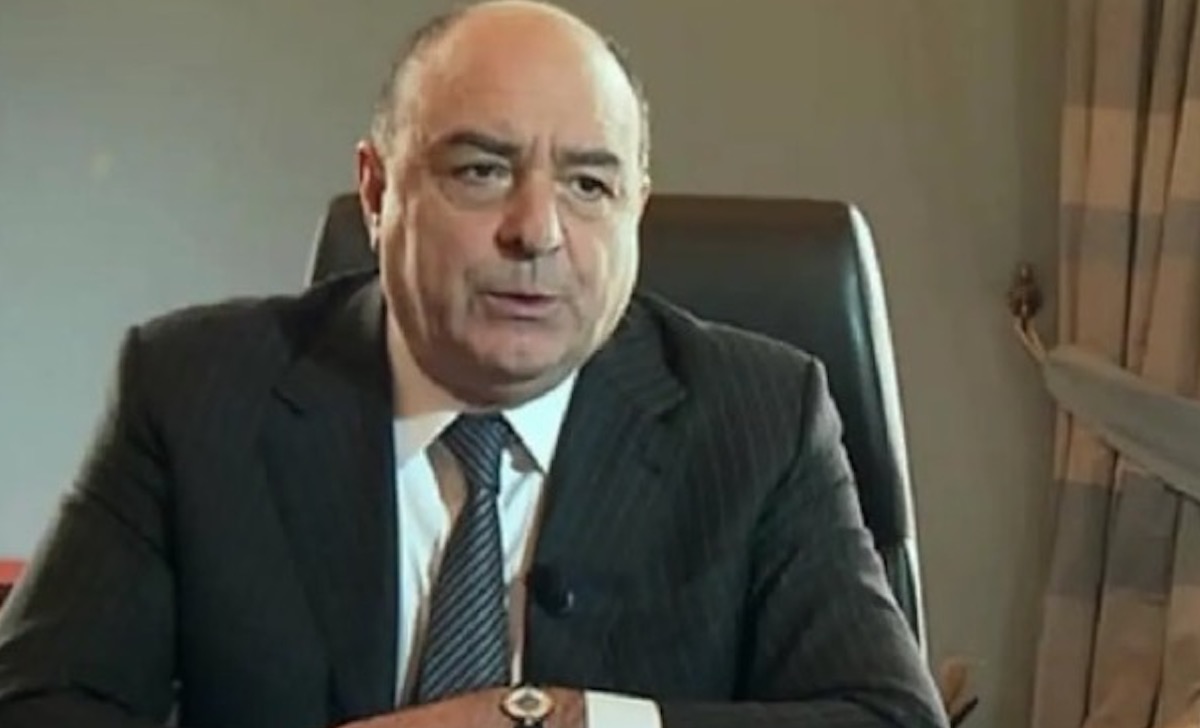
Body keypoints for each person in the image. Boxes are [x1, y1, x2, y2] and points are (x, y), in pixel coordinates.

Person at [0, 2, 948, 727]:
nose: (536, 231)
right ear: (378, 191)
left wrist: (560, 721)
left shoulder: (763, 417)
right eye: (481, 170)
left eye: (588, 183)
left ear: (636, 209)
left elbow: (888, 720)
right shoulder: (193, 391)